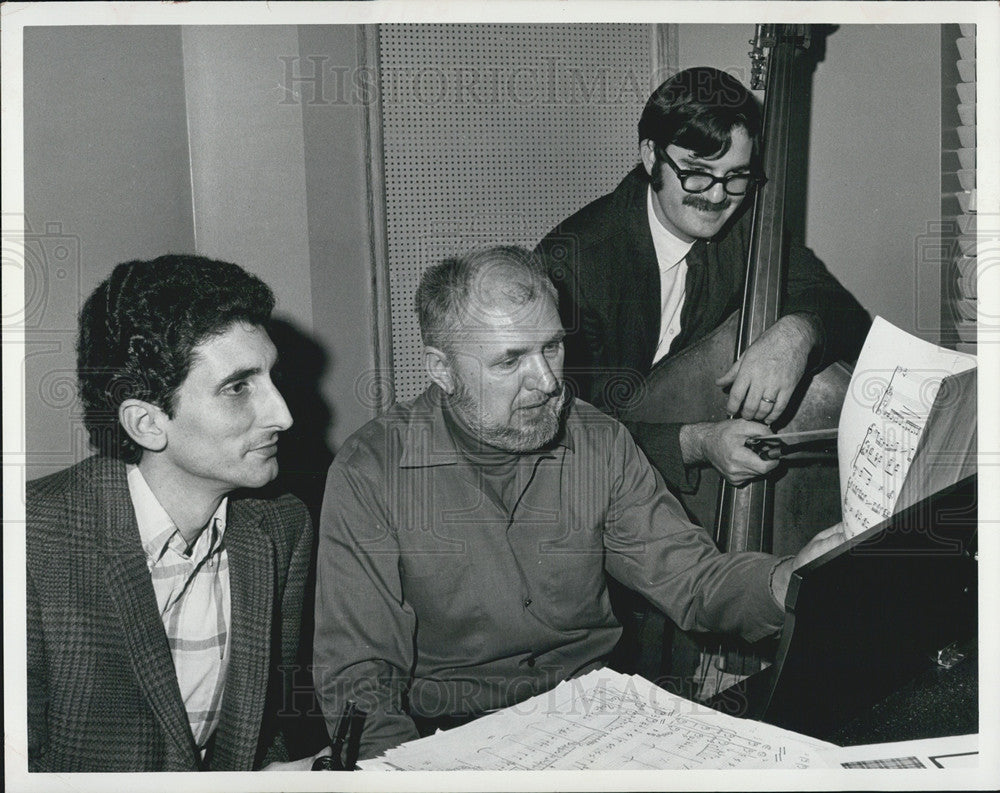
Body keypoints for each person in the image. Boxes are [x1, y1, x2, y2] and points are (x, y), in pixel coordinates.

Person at [313, 246, 845, 760]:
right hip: (449, 741)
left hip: (598, 728)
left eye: (551, 347)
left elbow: (695, 580)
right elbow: (360, 677)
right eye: (509, 361)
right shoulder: (370, 473)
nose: (546, 382)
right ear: (442, 369)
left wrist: (790, 577)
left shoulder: (599, 440)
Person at [26, 255, 326, 772]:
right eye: (238, 387)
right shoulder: (30, 542)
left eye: (272, 377)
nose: (284, 414)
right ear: (146, 423)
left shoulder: (282, 526)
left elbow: (264, 726)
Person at [536, 66, 870, 494]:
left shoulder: (747, 228)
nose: (717, 196)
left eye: (736, 176)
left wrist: (797, 333)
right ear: (652, 156)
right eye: (696, 171)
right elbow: (560, 433)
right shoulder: (573, 263)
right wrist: (693, 443)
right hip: (598, 494)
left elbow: (847, 315)